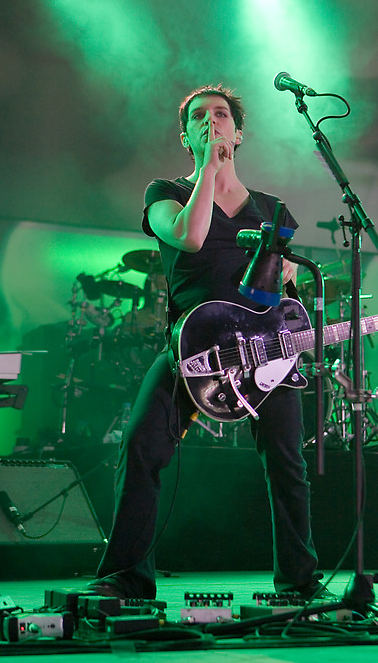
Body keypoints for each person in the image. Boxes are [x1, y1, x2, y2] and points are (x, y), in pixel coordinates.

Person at [88, 84, 330, 601]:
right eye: (199, 117)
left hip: (260, 351)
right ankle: (127, 577)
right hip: (191, 348)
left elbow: (281, 296)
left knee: (287, 461)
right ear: (186, 136)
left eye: (221, 115)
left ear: (238, 133)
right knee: (141, 445)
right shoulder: (166, 193)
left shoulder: (272, 209)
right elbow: (191, 237)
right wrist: (208, 171)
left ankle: (300, 582)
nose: (211, 122)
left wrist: (289, 283)